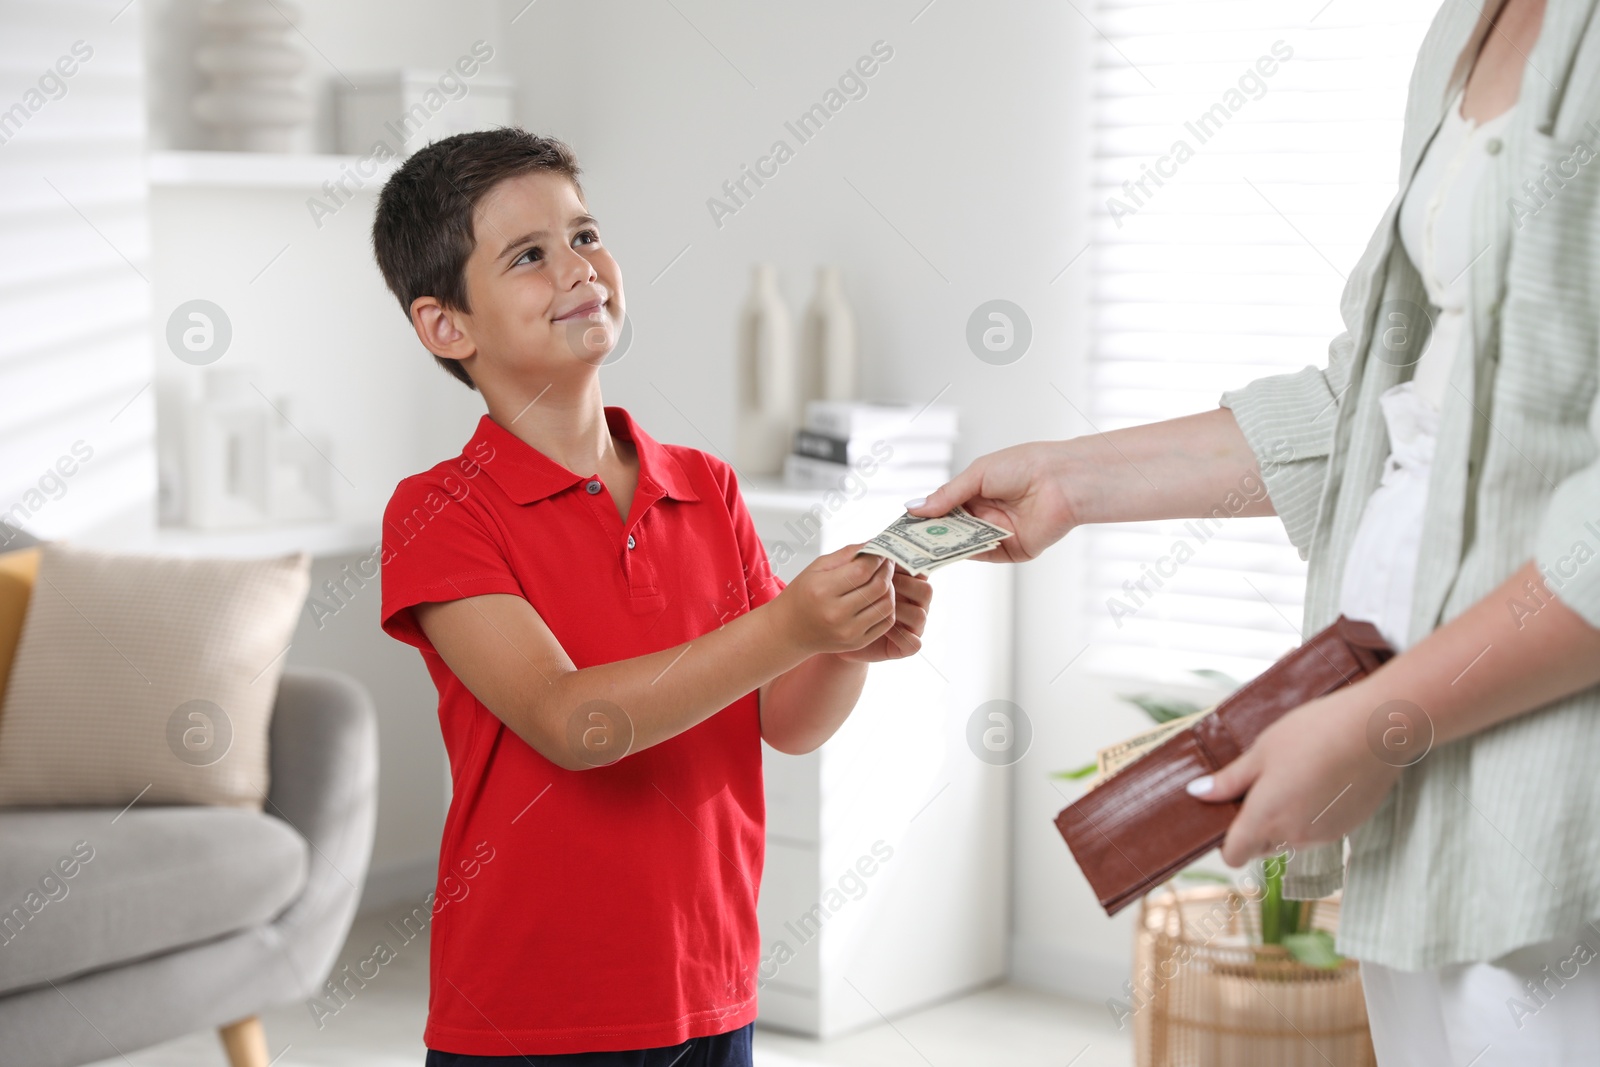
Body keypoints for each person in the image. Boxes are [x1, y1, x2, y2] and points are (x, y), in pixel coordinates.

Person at [911, 0, 1600, 1062]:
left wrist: (1382, 721)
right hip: (1414, 733)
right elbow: (1373, 395)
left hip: (1542, 757)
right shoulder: (1463, 27)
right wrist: (1066, 479)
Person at [371, 129, 932, 1064]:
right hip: (532, 1012)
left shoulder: (704, 485)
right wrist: (788, 623)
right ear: (446, 327)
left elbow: (784, 718)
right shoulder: (437, 513)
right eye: (528, 256)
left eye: (585, 236)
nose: (578, 269)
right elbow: (569, 721)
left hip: (709, 987)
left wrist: (842, 642)